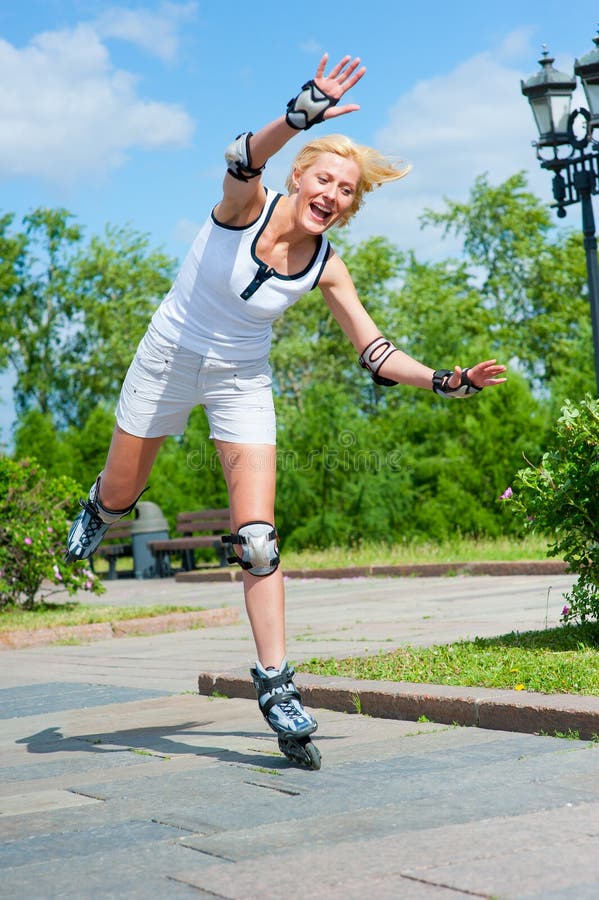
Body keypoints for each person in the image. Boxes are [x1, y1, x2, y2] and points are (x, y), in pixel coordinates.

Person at [66, 53, 506, 765]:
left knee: (260, 539)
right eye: (322, 177)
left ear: (349, 207)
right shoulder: (247, 206)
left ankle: (275, 685)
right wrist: (300, 110)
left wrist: (448, 380)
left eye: (346, 190)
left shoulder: (326, 263)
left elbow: (375, 352)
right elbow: (241, 158)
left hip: (241, 377)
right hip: (168, 357)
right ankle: (101, 507)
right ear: (298, 177)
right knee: (121, 496)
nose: (331, 193)